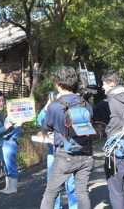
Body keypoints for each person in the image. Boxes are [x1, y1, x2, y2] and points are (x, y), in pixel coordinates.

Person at [40, 66, 94, 209]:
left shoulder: (54, 106)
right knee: (82, 192)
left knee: (50, 193)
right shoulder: (85, 103)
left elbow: (47, 126)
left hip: (65, 155)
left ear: (58, 84)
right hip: (86, 153)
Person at [101, 70, 124, 209]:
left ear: (112, 83)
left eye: (104, 84)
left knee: (116, 190)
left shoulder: (106, 104)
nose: (102, 87)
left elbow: (95, 127)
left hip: (115, 153)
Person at [37, 92, 77, 209]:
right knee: (53, 185)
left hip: (66, 150)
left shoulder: (66, 108)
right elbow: (40, 120)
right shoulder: (51, 109)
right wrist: (47, 105)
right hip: (53, 152)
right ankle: (56, 207)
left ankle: (74, 206)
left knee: (70, 183)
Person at [0, 115, 21, 194]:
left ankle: (13, 187)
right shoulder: (7, 116)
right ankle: (8, 186)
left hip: (10, 141)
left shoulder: (16, 116)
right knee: (5, 165)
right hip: (5, 141)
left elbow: (9, 131)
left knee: (10, 165)